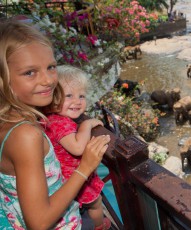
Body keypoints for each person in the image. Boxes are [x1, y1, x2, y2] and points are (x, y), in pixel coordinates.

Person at [0, 20, 110, 229]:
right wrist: (85, 167)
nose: (49, 80)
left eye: (51, 67)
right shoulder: (25, 135)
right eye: (30, 72)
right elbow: (39, 222)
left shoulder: (10, 121)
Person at [43, 65, 111, 230]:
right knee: (96, 204)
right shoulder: (60, 124)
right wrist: (86, 124)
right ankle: (99, 226)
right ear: (53, 98)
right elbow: (78, 148)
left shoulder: (51, 118)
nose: (77, 101)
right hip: (75, 177)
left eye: (82, 96)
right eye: (69, 96)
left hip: (65, 176)